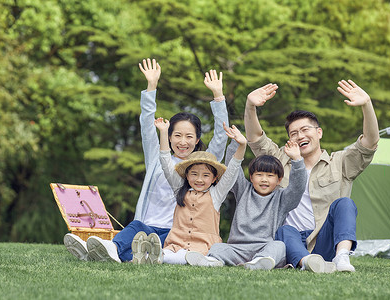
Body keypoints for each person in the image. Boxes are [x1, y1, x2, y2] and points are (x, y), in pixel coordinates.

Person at [63, 58, 229, 263]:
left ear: (197, 140)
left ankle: (104, 253)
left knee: (146, 248)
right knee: (135, 229)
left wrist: (218, 96)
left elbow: (221, 136)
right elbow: (146, 123)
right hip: (146, 224)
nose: (183, 142)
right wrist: (151, 86)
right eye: (177, 135)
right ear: (168, 136)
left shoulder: (204, 165)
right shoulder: (157, 157)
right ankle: (110, 248)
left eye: (189, 136)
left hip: (177, 233)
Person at [243, 80, 379, 272]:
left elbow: (370, 143)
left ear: (319, 132)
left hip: (325, 242)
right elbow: (255, 139)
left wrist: (366, 105)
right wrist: (250, 106)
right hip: (290, 241)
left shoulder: (340, 162)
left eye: (305, 130)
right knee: (284, 230)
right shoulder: (280, 159)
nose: (300, 136)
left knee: (345, 204)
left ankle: (341, 258)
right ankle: (306, 262)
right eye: (294, 133)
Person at [185, 120, 307, 270]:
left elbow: (298, 187)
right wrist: (236, 144)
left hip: (265, 247)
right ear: (251, 176)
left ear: (279, 180)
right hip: (237, 248)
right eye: (259, 175)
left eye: (270, 176)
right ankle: (212, 260)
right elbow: (232, 170)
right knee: (218, 247)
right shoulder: (243, 190)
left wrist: (297, 160)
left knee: (279, 246)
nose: (264, 179)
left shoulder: (282, 198)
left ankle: (260, 262)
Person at [135, 118, 246, 265]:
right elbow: (165, 162)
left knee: (196, 256)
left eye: (206, 175)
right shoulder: (179, 189)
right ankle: (157, 255)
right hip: (176, 245)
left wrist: (242, 145)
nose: (199, 179)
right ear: (186, 175)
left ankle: (157, 257)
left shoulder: (216, 194)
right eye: (194, 174)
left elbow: (233, 171)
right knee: (173, 254)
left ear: (214, 179)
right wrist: (163, 132)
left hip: (203, 248)